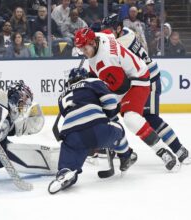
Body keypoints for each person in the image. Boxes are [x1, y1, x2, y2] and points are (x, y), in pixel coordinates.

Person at [74, 27, 181, 172]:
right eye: (81, 49)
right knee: (100, 112)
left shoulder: (106, 63)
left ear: (93, 43)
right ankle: (125, 153)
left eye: (84, 49)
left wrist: (89, 82)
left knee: (131, 119)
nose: (83, 53)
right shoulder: (100, 36)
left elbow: (121, 87)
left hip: (137, 81)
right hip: (125, 75)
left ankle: (162, 152)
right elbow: (108, 32)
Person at [102, 14, 190, 164]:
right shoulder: (128, 32)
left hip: (149, 79)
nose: (107, 32)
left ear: (118, 28)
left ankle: (179, 149)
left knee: (151, 117)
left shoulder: (120, 43)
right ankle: (112, 147)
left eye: (109, 29)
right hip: (140, 79)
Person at [48, 67, 137, 194]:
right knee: (119, 129)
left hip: (71, 134)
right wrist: (109, 114)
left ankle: (64, 174)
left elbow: (69, 116)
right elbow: (111, 102)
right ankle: (125, 157)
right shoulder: (93, 81)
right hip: (98, 129)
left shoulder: (61, 96)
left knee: (69, 158)